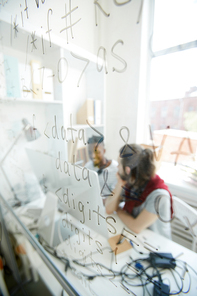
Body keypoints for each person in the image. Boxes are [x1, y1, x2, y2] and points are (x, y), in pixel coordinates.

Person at [105, 143, 173, 239]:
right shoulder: (132, 181)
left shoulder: (159, 195)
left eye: (119, 164)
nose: (117, 167)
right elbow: (109, 209)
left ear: (128, 170)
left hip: (157, 245)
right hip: (136, 238)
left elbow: (136, 227)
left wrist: (118, 210)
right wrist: (119, 184)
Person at [85, 136, 118, 204]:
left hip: (106, 207)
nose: (93, 156)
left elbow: (116, 197)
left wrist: (97, 200)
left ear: (104, 151)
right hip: (91, 204)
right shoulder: (88, 166)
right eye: (90, 153)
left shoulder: (116, 169)